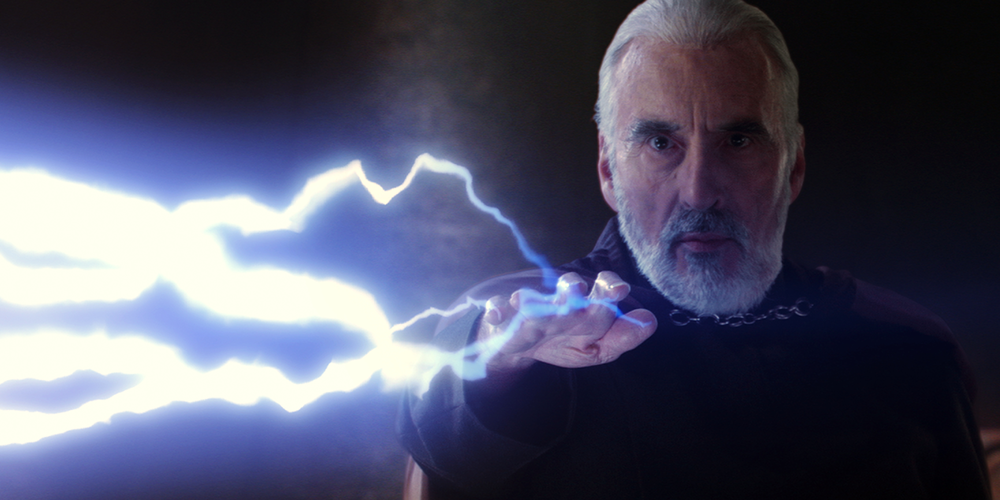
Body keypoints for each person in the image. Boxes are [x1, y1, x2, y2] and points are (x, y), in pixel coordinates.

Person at [397, 0, 990, 498]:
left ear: (794, 165)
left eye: (739, 140)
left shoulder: (908, 349)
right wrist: (497, 367)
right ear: (607, 168)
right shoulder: (533, 334)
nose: (700, 190)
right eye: (661, 142)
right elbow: (446, 433)